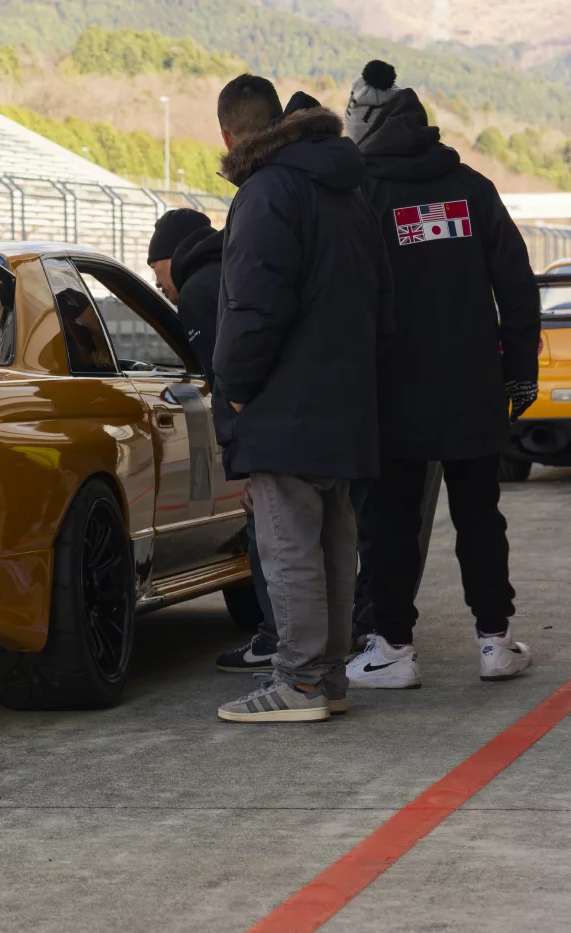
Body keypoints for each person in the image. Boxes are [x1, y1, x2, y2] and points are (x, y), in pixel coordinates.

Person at [341, 61, 540, 688]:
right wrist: (521, 371)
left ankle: (393, 647)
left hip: (393, 390)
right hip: (474, 384)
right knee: (481, 515)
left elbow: (348, 296)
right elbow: (516, 283)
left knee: (390, 522)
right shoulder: (473, 188)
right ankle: (495, 642)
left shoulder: (363, 196)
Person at [210, 74, 392, 723]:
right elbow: (384, 299)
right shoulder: (346, 191)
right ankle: (330, 678)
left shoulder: (266, 194)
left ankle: (300, 683)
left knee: (289, 543)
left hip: (287, 401)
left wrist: (233, 388)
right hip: (346, 395)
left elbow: (252, 307)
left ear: (231, 136)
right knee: (335, 541)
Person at [150, 211, 281, 672]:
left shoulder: (200, 292)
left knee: (267, 534)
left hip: (268, 436)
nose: (157, 281)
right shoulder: (231, 270)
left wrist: (246, 458)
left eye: (155, 266)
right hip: (299, 424)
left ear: (171, 256)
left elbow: (227, 380)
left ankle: (275, 639)